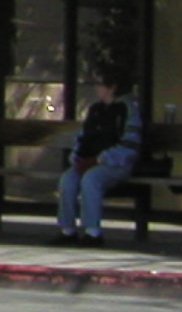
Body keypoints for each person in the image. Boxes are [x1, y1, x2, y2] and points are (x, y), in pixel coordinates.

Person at [57, 81, 141, 243]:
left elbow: (130, 145)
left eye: (100, 84)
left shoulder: (128, 110)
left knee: (91, 179)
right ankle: (67, 230)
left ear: (112, 87)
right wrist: (77, 158)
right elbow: (82, 138)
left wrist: (100, 159)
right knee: (68, 179)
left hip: (116, 164)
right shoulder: (96, 110)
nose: (96, 88)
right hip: (88, 162)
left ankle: (92, 231)